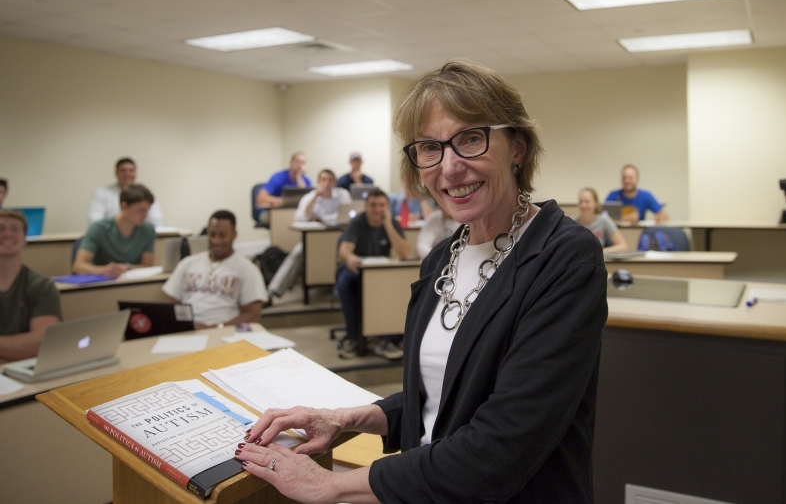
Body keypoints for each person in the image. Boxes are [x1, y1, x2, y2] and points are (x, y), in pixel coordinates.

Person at [235, 60, 607, 503]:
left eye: (471, 138)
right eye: (429, 147)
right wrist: (343, 418)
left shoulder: (564, 255)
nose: (449, 167)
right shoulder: (441, 259)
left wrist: (330, 485)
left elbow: (501, 447)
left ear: (518, 147)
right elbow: (438, 402)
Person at [335, 189, 409, 360]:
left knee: (399, 281)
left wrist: (388, 225)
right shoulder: (357, 222)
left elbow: (404, 252)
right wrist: (351, 258)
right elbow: (344, 250)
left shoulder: (391, 222)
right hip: (356, 270)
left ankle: (388, 338)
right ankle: (353, 338)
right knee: (345, 282)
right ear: (366, 206)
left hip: (380, 271)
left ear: (388, 207)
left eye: (382, 205)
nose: (377, 209)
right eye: (373, 205)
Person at [162, 210, 267, 329]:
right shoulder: (187, 264)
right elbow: (170, 305)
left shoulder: (247, 269)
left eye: (222, 235)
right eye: (212, 234)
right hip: (187, 330)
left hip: (224, 332)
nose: (216, 241)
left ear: (234, 234)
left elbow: (253, 315)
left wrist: (215, 327)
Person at [0, 210, 61, 364]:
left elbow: (42, 341)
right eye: (0, 228)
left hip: (24, 372)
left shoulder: (41, 286)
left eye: (15, 229)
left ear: (25, 239)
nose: (7, 234)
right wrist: (17, 348)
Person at [73, 184, 156, 277]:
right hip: (102, 284)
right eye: (141, 210)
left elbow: (148, 265)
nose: (145, 215)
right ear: (124, 206)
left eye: (147, 211)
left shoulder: (147, 229)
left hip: (132, 283)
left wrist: (126, 268)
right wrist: (105, 270)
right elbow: (78, 266)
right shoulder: (99, 228)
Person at [88, 157, 164, 227]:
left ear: (135, 173)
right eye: (123, 171)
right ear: (116, 173)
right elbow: (95, 221)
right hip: (108, 238)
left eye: (131, 170)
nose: (127, 174)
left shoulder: (145, 194)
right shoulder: (101, 193)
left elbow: (156, 222)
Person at [576, 188, 628, 253]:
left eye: (587, 202)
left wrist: (600, 252)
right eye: (581, 201)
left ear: (596, 204)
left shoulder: (604, 220)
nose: (583, 205)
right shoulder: (572, 223)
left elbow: (623, 246)